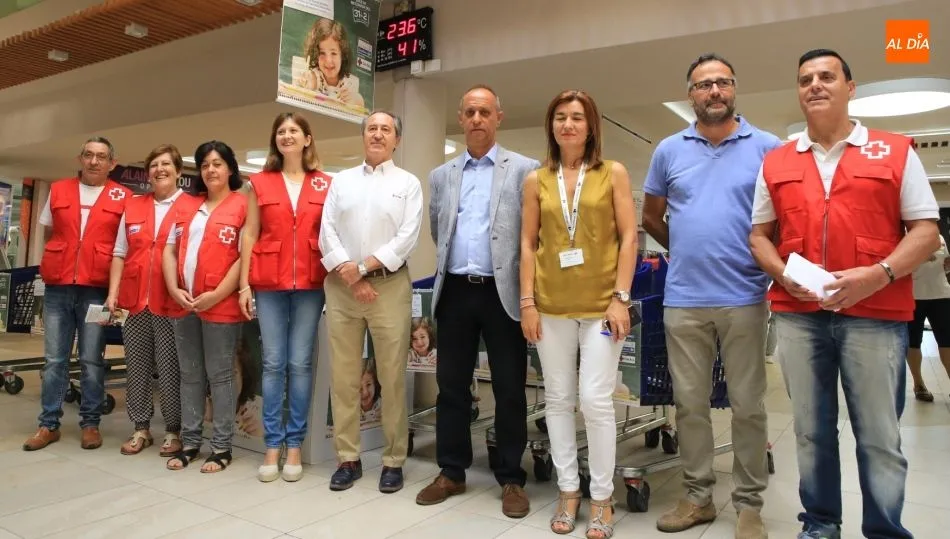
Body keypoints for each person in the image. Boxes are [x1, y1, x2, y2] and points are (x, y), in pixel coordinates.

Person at [749, 49, 940, 539]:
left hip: (875, 313)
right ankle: (820, 524)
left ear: (850, 88)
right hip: (798, 313)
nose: (815, 85)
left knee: (879, 435)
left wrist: (877, 274)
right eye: (805, 78)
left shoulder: (895, 150)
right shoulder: (776, 160)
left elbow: (924, 230)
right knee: (811, 433)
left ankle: (883, 530)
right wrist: (778, 272)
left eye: (827, 76)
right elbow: (759, 236)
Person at [642, 54, 780, 538]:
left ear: (735, 88)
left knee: (748, 405)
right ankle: (697, 497)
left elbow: (783, 218)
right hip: (683, 300)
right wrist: (684, 249)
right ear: (691, 95)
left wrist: (767, 265)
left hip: (744, 296)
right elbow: (651, 214)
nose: (713, 91)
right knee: (690, 406)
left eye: (722, 82)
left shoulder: (768, 147)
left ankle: (748, 505)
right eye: (703, 85)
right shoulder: (668, 150)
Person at [415, 85, 539, 518]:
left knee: (508, 388)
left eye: (484, 111)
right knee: (451, 386)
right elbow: (439, 229)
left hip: (502, 293)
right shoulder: (442, 175)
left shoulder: (526, 169)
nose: (477, 119)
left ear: (498, 117)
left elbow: (532, 235)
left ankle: (510, 478)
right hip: (456, 293)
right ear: (460, 118)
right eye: (469, 112)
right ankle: (452, 470)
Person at [520, 89, 637, 539]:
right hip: (550, 307)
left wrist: (620, 297)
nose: (568, 125)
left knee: (595, 400)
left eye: (577, 117)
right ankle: (569, 491)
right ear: (551, 126)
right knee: (557, 399)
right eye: (561, 118)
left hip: (602, 308)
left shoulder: (614, 174)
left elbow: (629, 238)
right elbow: (528, 245)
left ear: (591, 127)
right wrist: (527, 302)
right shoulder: (537, 180)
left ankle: (602, 499)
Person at [318, 110, 422, 493]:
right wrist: (350, 271)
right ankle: (348, 458)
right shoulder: (341, 181)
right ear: (363, 136)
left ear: (397, 139)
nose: (378, 134)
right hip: (341, 287)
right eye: (372, 129)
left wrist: (362, 269)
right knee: (343, 377)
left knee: (390, 377)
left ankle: (393, 460)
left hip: (388, 286)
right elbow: (327, 230)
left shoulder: (408, 184)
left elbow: (407, 237)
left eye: (386, 129)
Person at [239, 112, 333, 483]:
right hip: (268, 283)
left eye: (295, 131)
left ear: (308, 139)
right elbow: (249, 234)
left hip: (311, 283)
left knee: (300, 364)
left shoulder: (326, 184)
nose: (288, 136)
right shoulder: (259, 183)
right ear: (274, 140)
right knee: (274, 363)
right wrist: (245, 283)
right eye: (281, 131)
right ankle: (272, 446)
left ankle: (295, 444)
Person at [23, 137, 132, 452]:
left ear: (112, 163)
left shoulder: (122, 196)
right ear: (80, 159)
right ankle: (48, 424)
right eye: (88, 155)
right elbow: (48, 231)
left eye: (101, 156)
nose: (94, 161)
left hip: (95, 290)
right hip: (58, 288)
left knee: (91, 359)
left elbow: (122, 248)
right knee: (55, 359)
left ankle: (90, 423)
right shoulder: (58, 190)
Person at [162, 140, 247, 474]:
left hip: (220, 306)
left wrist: (217, 294)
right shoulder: (186, 205)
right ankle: (192, 441)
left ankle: (222, 447)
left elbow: (243, 257)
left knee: (221, 375)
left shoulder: (241, 206)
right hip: (184, 303)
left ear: (230, 168)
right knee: (190, 374)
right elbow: (170, 250)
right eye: (205, 164)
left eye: (218, 163)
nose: (211, 169)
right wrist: (173, 287)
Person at [106, 144, 195, 457]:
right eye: (154, 164)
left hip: (171, 302)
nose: (160, 169)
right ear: (148, 172)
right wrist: (113, 293)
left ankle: (173, 430)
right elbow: (119, 252)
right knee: (137, 366)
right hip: (134, 302)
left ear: (178, 171)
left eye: (166, 164)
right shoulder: (132, 206)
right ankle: (140, 427)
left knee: (171, 368)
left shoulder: (191, 207)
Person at [907, 233, 950, 401]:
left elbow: (944, 262)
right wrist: (921, 257)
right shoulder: (902, 237)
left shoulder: (938, 237)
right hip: (913, 296)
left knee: (947, 341)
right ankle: (919, 384)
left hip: (942, 294)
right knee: (913, 341)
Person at [296, 18, 365, 108]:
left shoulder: (350, 83)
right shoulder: (313, 78)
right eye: (322, 53)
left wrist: (357, 99)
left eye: (334, 53)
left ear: (343, 55)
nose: (328, 60)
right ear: (315, 54)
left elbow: (361, 108)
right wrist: (308, 90)